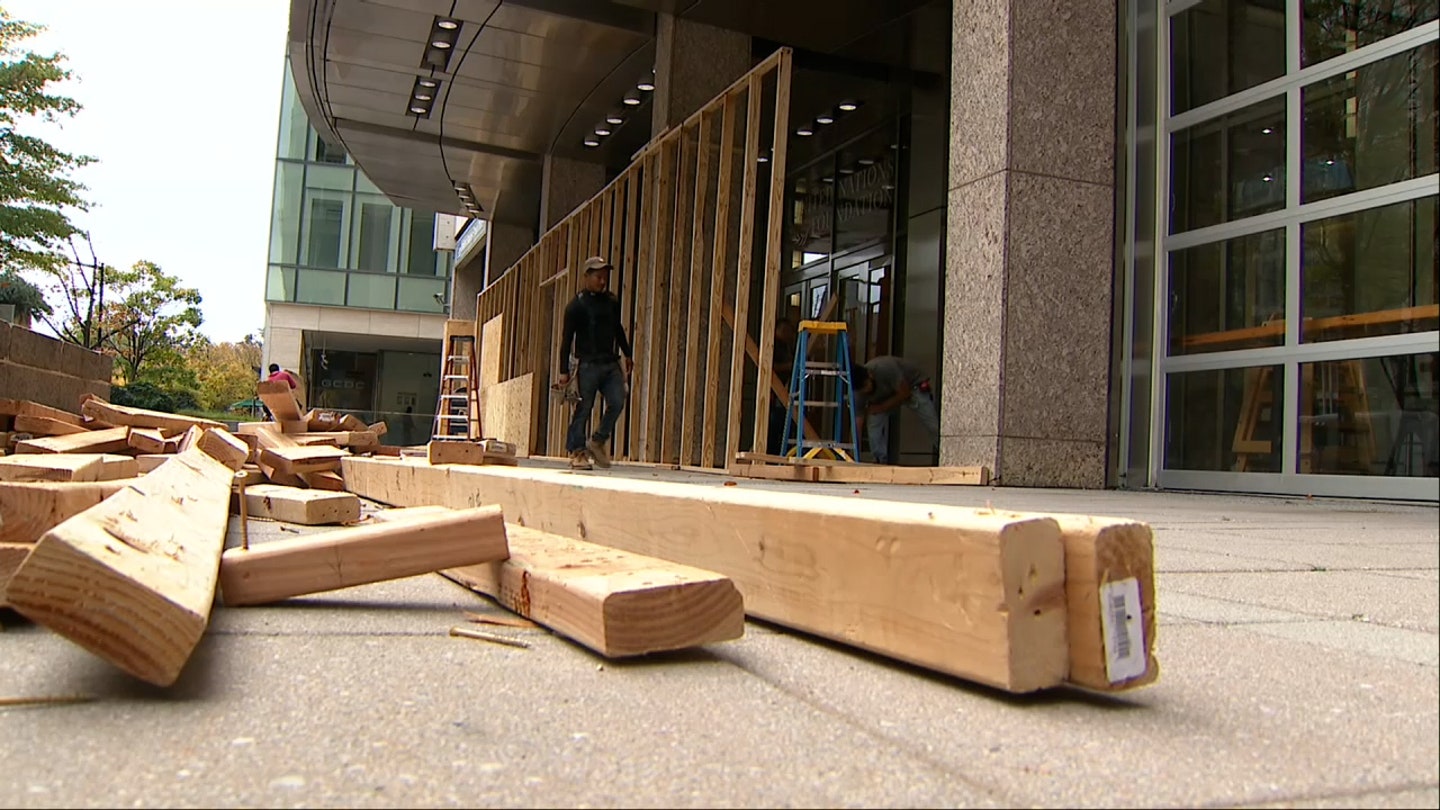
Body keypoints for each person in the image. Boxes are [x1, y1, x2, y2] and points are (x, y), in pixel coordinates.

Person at [557, 256, 634, 470]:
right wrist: (564, 371)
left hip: (610, 363)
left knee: (618, 400)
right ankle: (577, 451)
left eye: (605, 277)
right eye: (598, 277)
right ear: (586, 277)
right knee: (584, 407)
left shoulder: (611, 301)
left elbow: (617, 328)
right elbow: (566, 340)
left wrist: (627, 354)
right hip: (587, 364)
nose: (602, 281)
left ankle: (598, 440)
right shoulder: (576, 306)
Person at [852, 355, 940, 466]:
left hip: (912, 387)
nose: (865, 390)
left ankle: (945, 452)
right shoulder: (858, 393)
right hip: (885, 396)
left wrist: (882, 407)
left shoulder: (884, 368)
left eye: (866, 385)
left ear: (870, 375)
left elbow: (905, 393)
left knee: (932, 424)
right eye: (862, 390)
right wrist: (855, 456)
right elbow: (857, 424)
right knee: (874, 426)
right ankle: (879, 460)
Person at [767, 317, 798, 456]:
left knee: (781, 424)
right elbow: (769, 367)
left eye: (789, 331)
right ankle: (772, 453)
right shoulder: (773, 345)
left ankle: (779, 453)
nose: (788, 334)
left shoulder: (788, 346)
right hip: (773, 392)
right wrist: (789, 366)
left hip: (784, 392)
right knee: (773, 425)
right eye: (785, 330)